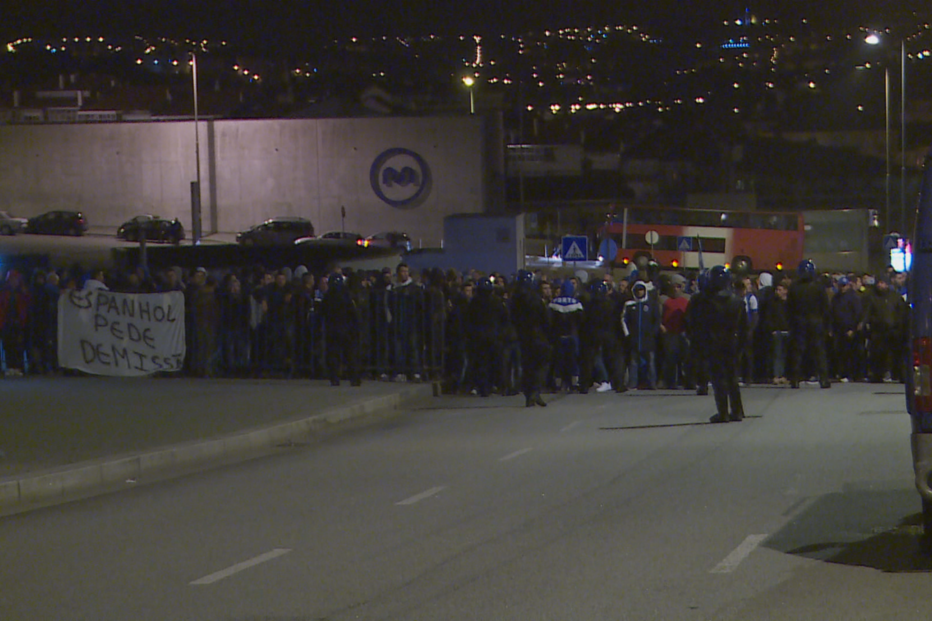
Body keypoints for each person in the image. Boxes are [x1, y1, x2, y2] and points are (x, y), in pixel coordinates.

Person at [699, 266, 747, 423]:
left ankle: (723, 412)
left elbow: (700, 325)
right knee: (733, 378)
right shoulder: (737, 301)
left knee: (719, 379)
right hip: (732, 342)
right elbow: (744, 327)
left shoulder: (706, 301)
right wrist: (741, 346)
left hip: (714, 343)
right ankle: (737, 410)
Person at [787, 259, 831, 389]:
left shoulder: (794, 287)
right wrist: (826, 324)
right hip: (815, 321)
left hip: (799, 321)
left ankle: (794, 379)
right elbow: (825, 307)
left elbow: (789, 307)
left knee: (797, 352)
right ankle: (823, 379)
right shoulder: (818, 286)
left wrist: (791, 323)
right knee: (819, 352)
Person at [510, 269, 552, 407]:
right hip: (537, 335)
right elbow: (544, 318)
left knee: (527, 366)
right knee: (541, 364)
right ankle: (536, 390)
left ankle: (529, 395)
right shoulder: (535, 298)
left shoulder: (514, 299)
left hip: (522, 336)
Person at [320, 273, 361, 386]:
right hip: (346, 329)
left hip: (332, 329)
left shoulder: (328, 296)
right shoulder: (346, 295)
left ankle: (334, 378)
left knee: (333, 354)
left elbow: (322, 312)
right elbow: (353, 312)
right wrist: (356, 327)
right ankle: (354, 378)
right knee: (350, 354)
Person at [623, 280, 660, 390]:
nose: (640, 292)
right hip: (634, 338)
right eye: (637, 290)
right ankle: (633, 383)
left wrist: (653, 332)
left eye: (641, 290)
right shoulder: (630, 305)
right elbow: (623, 319)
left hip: (648, 339)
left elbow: (657, 319)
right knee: (633, 362)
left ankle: (652, 382)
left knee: (650, 362)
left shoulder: (651, 304)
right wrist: (627, 334)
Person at [549, 279, 583, 391]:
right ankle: (574, 383)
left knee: (558, 361)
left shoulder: (553, 303)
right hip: (572, 336)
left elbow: (549, 321)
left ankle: (558, 383)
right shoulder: (576, 303)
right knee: (573, 361)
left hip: (558, 336)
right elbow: (581, 321)